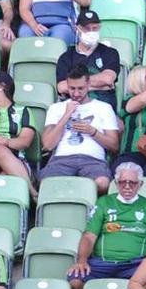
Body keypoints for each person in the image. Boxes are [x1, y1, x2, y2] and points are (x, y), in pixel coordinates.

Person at [67, 162, 146, 289]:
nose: (127, 186)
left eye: (132, 182)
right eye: (122, 182)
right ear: (116, 183)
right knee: (75, 281)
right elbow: (89, 236)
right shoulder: (104, 202)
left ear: (140, 184)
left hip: (136, 264)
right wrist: (82, 260)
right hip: (101, 263)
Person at [41, 64, 121, 194]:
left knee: (103, 183)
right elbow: (48, 145)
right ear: (67, 85)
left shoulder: (104, 107)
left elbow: (114, 146)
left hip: (93, 160)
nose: (76, 93)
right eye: (72, 88)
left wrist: (92, 131)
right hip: (62, 159)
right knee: (47, 183)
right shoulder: (56, 108)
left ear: (88, 84)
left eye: (80, 88)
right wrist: (66, 115)